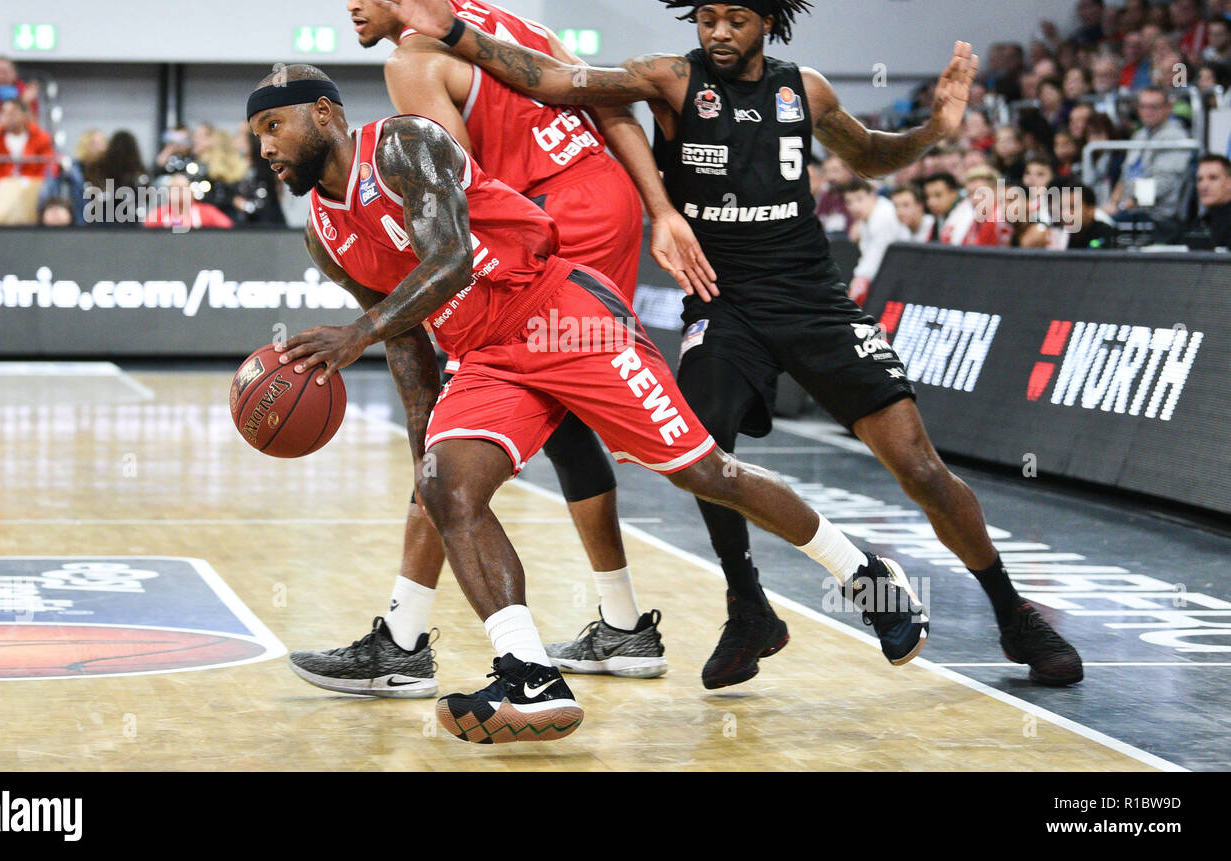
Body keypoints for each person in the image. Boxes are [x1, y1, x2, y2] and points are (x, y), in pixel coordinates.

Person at [368, 0, 1084, 685]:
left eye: (734, 20)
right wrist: (452, 31)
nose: (716, 32)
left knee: (921, 468)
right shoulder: (669, 79)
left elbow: (869, 157)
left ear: (767, 24)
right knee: (701, 454)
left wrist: (934, 129)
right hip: (723, 302)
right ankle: (748, 605)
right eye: (706, 18)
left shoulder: (804, 90)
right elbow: (553, 80)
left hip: (813, 302)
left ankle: (1012, 611)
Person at [249, 67, 928, 742]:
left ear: (324, 112)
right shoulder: (322, 233)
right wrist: (423, 446)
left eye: (274, 126)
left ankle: (865, 576)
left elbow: (451, 259)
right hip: (486, 356)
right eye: (256, 136)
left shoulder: (402, 144)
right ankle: (528, 673)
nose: (266, 148)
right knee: (447, 488)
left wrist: (356, 334)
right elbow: (403, 340)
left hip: (561, 315)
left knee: (705, 473)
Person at [290, 0, 667, 695]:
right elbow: (608, 105)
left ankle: (407, 638)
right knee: (560, 424)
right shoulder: (501, 19)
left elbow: (457, 198)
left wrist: (394, 304)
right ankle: (621, 623)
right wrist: (658, 205)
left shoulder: (410, 61)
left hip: (551, 227)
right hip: (606, 201)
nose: (353, 4)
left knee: (460, 434)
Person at [1104, 87, 1192, 243]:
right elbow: (1125, 177)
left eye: (1154, 107)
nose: (1147, 112)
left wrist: (1123, 205)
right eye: (1143, 106)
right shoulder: (1139, 135)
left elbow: (1163, 185)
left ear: (1167, 108)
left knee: (1102, 229)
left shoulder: (1176, 138)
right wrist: (1112, 203)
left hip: (1159, 217)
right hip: (1132, 211)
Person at [844, 178, 912, 306]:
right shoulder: (867, 217)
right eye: (849, 202)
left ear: (872, 196)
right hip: (890, 275)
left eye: (860, 199)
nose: (855, 206)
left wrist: (858, 281)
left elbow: (875, 257)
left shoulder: (883, 216)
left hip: (904, 275)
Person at [0, 99, 56, 191]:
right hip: (4, 185)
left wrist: (34, 184)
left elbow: (46, 166)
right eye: (4, 113)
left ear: (24, 115)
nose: (8, 117)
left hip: (33, 184)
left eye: (13, 113)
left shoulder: (40, 137)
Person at [1187, 154, 1231, 249]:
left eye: (1213, 178)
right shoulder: (1200, 223)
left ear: (1229, 182)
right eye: (1200, 179)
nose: (1204, 186)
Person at [924, 171, 975, 245]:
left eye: (938, 195)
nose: (931, 202)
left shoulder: (969, 215)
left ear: (953, 193)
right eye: (928, 197)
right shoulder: (940, 217)